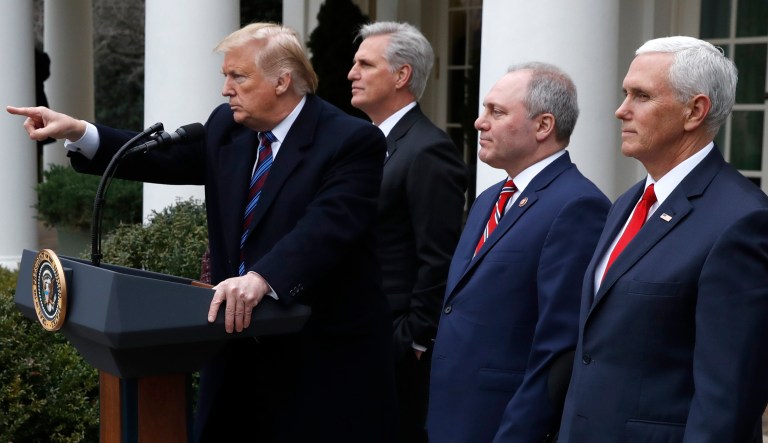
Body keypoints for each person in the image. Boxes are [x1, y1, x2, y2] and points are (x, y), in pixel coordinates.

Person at [8, 23, 398, 443]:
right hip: (231, 352)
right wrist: (79, 132)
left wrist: (262, 279)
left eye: (238, 77)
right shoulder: (228, 127)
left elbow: (328, 227)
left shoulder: (351, 140)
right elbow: (163, 158)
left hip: (319, 360)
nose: (226, 89)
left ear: (282, 80)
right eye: (224, 77)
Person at [558, 36, 768, 443]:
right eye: (625, 94)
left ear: (695, 110)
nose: (621, 110)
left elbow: (726, 400)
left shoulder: (742, 220)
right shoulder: (628, 204)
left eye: (641, 96)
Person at [426, 62, 610, 443]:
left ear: (543, 126)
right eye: (484, 109)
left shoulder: (577, 205)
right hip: (451, 416)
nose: (480, 122)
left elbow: (558, 345)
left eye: (497, 112)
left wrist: (519, 432)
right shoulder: (489, 199)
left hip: (502, 424)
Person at [348, 21, 467, 443]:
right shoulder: (364, 141)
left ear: (401, 76)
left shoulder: (428, 149)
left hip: (394, 346)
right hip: (354, 338)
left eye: (365, 64)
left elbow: (439, 255)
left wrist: (414, 338)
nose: (351, 73)